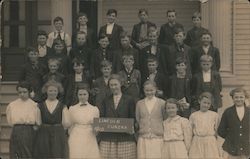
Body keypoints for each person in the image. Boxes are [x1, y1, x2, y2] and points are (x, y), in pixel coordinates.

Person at [98, 74, 137, 159]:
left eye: (115, 84)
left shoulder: (129, 99)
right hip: (108, 137)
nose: (113, 87)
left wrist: (131, 127)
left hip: (125, 138)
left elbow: (132, 117)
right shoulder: (105, 100)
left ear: (120, 84)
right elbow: (102, 117)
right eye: (111, 85)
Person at [33, 80, 69, 159]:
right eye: (50, 90)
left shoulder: (63, 106)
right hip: (44, 134)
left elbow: (65, 124)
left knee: (57, 153)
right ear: (46, 91)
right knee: (44, 154)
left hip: (58, 134)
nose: (52, 93)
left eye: (55, 91)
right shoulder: (40, 106)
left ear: (58, 91)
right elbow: (38, 122)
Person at [6, 82, 41, 159]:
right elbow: (9, 120)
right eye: (20, 92)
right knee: (14, 152)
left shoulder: (34, 105)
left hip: (28, 131)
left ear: (29, 92)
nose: (22, 94)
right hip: (16, 130)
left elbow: (38, 121)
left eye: (24, 92)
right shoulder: (12, 105)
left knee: (27, 152)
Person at [68, 84, 100, 159]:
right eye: (80, 94)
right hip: (76, 135)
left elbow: (97, 127)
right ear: (77, 95)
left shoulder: (94, 109)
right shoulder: (72, 109)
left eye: (85, 94)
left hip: (89, 135)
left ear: (88, 95)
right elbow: (70, 125)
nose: (82, 97)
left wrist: (95, 130)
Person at [136, 80, 166, 159]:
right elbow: (138, 119)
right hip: (143, 138)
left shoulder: (162, 103)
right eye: (147, 90)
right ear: (143, 90)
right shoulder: (139, 103)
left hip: (157, 138)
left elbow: (165, 119)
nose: (149, 92)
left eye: (151, 90)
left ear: (156, 89)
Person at [218, 88, 250, 159]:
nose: (239, 99)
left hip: (246, 146)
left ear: (245, 98)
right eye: (236, 97)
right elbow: (221, 130)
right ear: (232, 98)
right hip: (232, 147)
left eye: (241, 97)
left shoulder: (249, 111)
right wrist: (230, 137)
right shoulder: (228, 112)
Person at [189, 92, 220, 159]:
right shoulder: (194, 115)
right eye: (204, 102)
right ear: (199, 101)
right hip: (197, 141)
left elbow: (217, 130)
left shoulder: (214, 115)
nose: (206, 105)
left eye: (208, 103)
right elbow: (190, 131)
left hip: (210, 141)